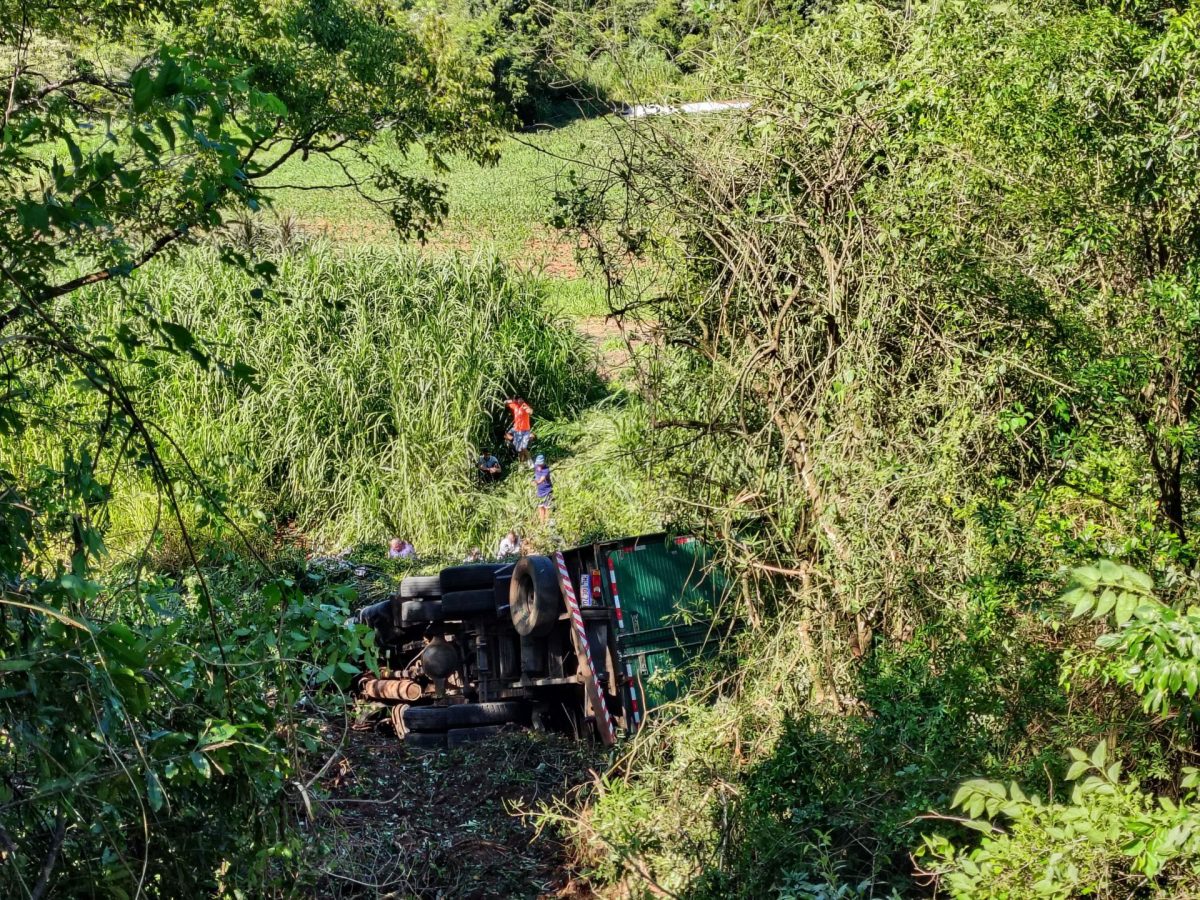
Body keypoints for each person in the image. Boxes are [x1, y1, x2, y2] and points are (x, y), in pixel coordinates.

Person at [504, 396, 534, 466]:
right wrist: (512, 401)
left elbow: (530, 412)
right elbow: (505, 402)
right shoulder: (515, 405)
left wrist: (528, 410)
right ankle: (521, 465)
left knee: (523, 447)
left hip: (525, 430)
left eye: (521, 399)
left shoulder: (524, 406)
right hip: (517, 431)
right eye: (519, 399)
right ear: (517, 400)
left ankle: (530, 462)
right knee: (520, 450)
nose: (520, 400)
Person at [533, 454, 553, 524]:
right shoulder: (536, 466)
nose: (539, 465)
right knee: (540, 507)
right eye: (538, 464)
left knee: (547, 508)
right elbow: (535, 475)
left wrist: (536, 482)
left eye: (540, 464)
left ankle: (547, 523)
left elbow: (541, 480)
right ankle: (542, 524)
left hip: (547, 491)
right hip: (540, 492)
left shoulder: (546, 469)